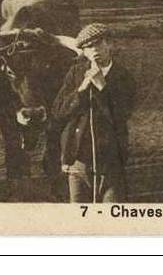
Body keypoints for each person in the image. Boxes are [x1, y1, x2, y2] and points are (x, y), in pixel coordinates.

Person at [51, 23, 136, 203]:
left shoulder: (123, 76)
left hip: (111, 163)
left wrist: (102, 87)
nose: (95, 49)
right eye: (89, 46)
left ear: (110, 45)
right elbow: (59, 112)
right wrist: (81, 90)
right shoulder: (75, 73)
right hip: (77, 162)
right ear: (84, 52)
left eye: (99, 43)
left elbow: (121, 115)